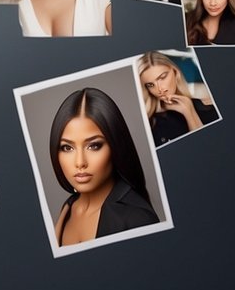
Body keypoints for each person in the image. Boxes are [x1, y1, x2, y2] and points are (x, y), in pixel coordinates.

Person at [50, 87, 160, 246]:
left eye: (94, 146)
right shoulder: (69, 207)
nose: (80, 162)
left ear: (116, 145)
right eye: (67, 148)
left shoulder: (138, 219)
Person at [137, 52, 219, 147]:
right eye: (150, 85)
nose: (160, 89)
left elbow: (208, 149)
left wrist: (189, 112)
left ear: (175, 72)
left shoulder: (208, 107)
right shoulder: (149, 124)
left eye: (163, 77)